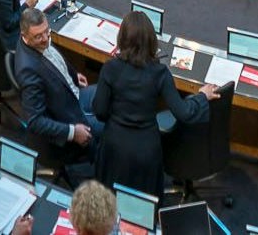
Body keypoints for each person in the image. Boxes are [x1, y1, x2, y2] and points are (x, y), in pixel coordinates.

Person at [92, 11, 217, 193]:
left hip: (114, 147)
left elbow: (100, 111)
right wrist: (202, 96)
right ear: (151, 41)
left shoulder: (110, 68)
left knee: (108, 200)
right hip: (146, 150)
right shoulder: (160, 73)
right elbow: (184, 112)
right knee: (143, 202)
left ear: (122, 38)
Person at [13, 7, 100, 169]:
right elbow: (35, 121)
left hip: (72, 93)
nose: (46, 39)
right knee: (112, 126)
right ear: (24, 35)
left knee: (110, 95)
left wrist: (72, 75)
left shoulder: (35, 41)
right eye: (38, 36)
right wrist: (72, 132)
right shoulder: (27, 70)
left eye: (47, 31)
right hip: (68, 117)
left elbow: (54, 61)